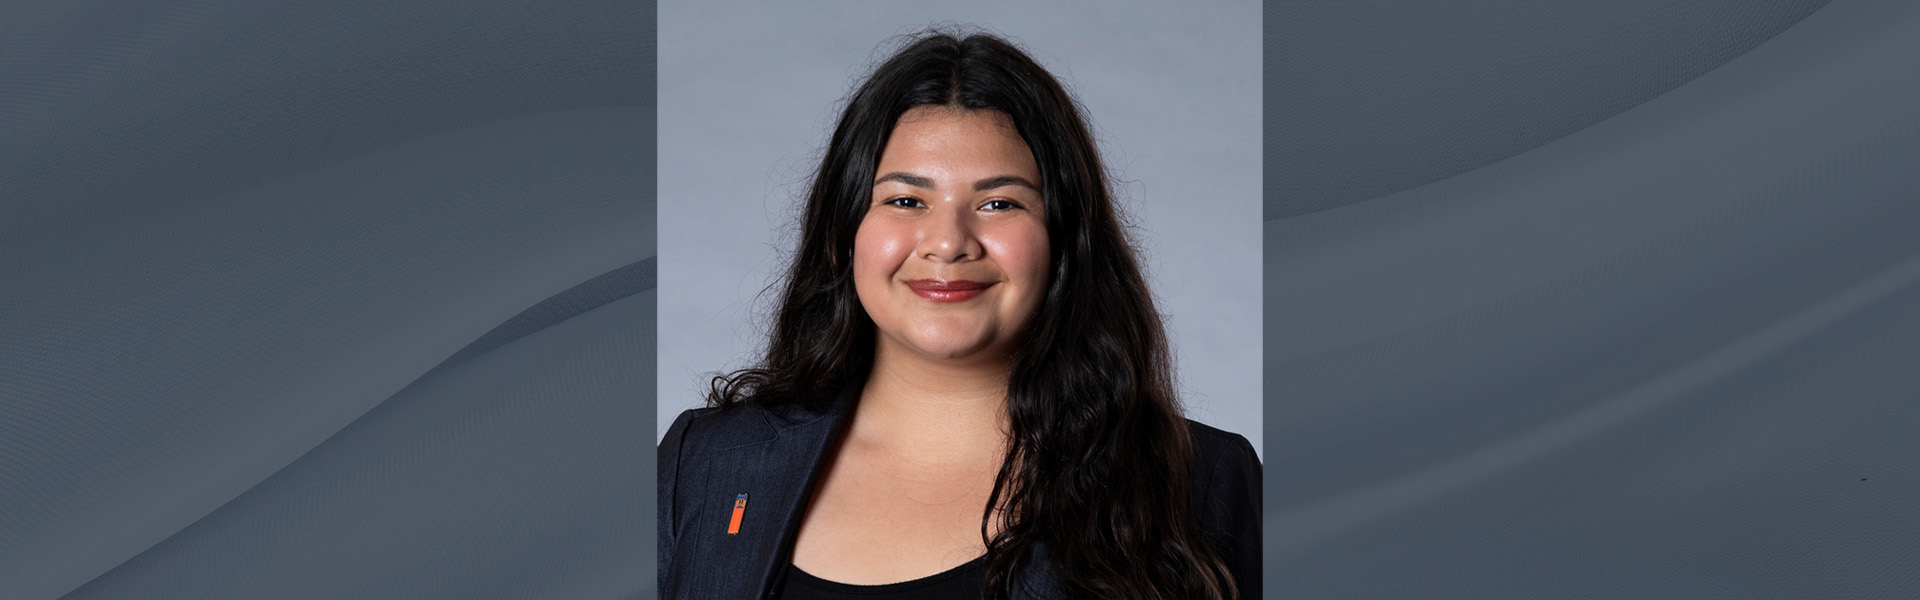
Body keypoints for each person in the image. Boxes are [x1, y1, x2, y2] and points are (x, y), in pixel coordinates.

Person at [658, 30, 1259, 600]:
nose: (948, 243)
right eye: (906, 200)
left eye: (998, 203)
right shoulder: (706, 465)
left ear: (1063, 240)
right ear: (843, 235)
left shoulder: (1199, 483)